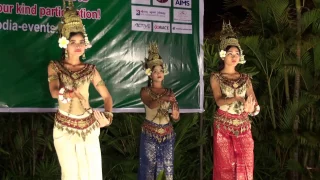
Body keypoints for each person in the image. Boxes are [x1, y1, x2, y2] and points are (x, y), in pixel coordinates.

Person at [47, 1, 113, 179]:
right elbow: (54, 92)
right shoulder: (55, 66)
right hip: (64, 126)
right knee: (70, 174)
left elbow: (107, 97)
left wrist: (108, 117)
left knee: (91, 174)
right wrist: (66, 92)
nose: (78, 45)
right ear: (64, 44)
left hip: (89, 125)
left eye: (81, 42)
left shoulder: (91, 69)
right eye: (73, 41)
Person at [210, 22, 260, 180]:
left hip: (244, 126)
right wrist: (236, 98)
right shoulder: (216, 77)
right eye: (230, 53)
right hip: (223, 126)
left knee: (245, 165)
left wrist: (252, 109)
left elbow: (256, 105)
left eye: (237, 53)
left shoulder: (246, 78)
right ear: (223, 55)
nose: (234, 56)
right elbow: (219, 101)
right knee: (225, 167)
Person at [138, 42, 180, 180]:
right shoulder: (145, 91)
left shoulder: (169, 91)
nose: (159, 73)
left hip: (167, 133)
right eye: (155, 71)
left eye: (161, 70)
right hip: (150, 132)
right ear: (150, 74)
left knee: (167, 167)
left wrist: (175, 116)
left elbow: (176, 114)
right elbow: (150, 104)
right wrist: (165, 98)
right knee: (149, 167)